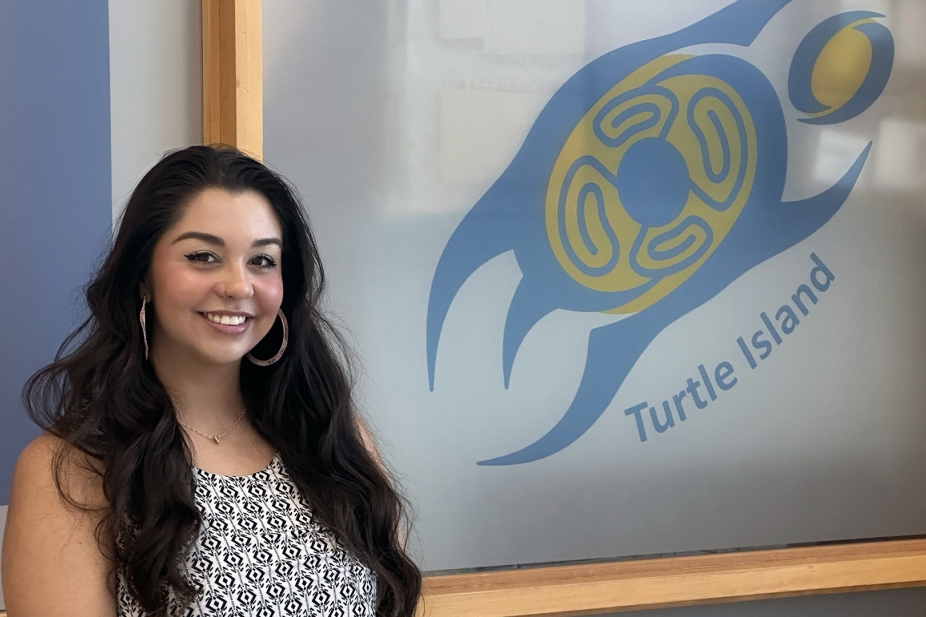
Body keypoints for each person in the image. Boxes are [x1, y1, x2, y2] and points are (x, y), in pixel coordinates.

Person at [1, 145, 421, 616]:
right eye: (203, 256)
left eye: (262, 261)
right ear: (143, 275)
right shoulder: (72, 470)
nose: (238, 286)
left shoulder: (333, 440)